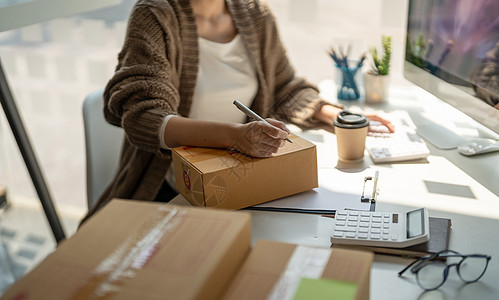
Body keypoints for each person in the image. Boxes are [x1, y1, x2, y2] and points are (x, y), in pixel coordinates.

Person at [81, 0, 394, 223]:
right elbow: (143, 115)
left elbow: (284, 86)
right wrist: (236, 137)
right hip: (175, 188)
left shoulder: (255, 14)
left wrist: (337, 117)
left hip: (239, 178)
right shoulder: (154, 15)